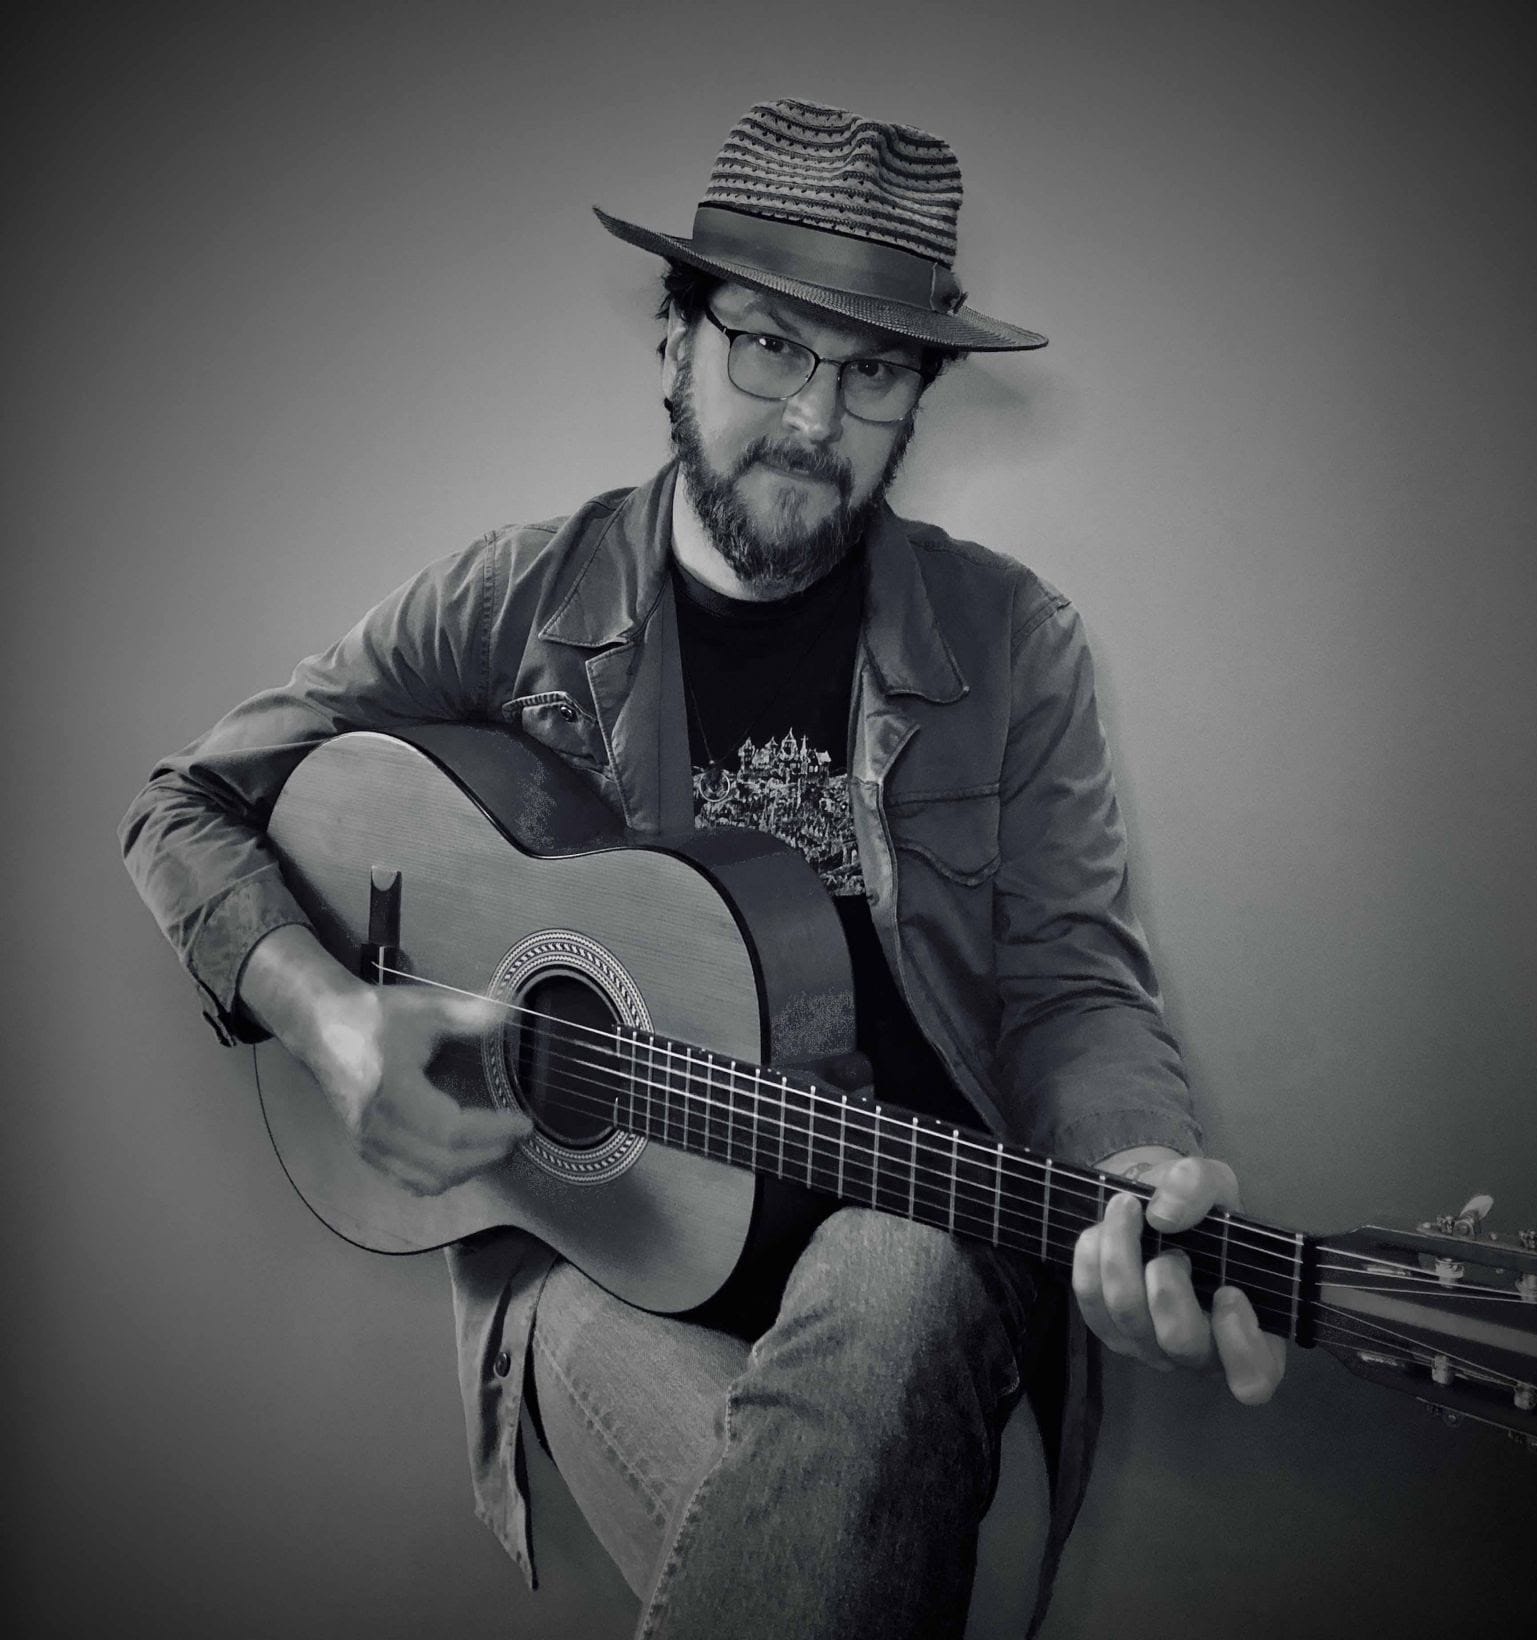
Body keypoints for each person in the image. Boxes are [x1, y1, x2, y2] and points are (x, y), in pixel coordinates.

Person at [120, 97, 1285, 1639]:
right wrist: (336, 1021)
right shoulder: (513, 597)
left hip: (923, 1255)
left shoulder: (1016, 643)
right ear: (672, 344)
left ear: (919, 400)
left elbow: (1073, 984)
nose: (815, 417)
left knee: (895, 1275)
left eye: (872, 371)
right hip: (598, 1262)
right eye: (769, 347)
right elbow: (184, 808)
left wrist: (1137, 1159)